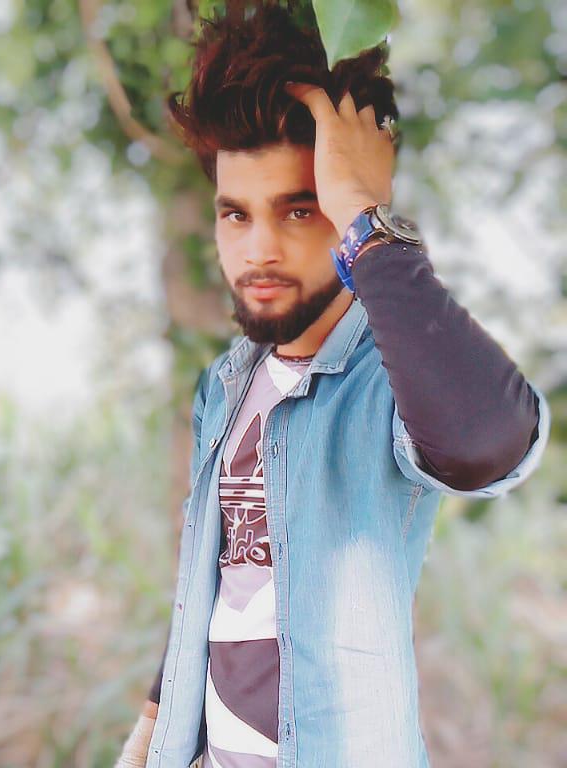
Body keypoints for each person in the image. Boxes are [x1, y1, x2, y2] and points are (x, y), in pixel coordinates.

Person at [114, 2, 551, 767]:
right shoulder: (225, 384)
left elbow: (489, 442)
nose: (259, 249)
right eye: (235, 215)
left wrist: (370, 222)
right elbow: (212, 579)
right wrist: (151, 730)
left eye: (300, 210)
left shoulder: (389, 379)